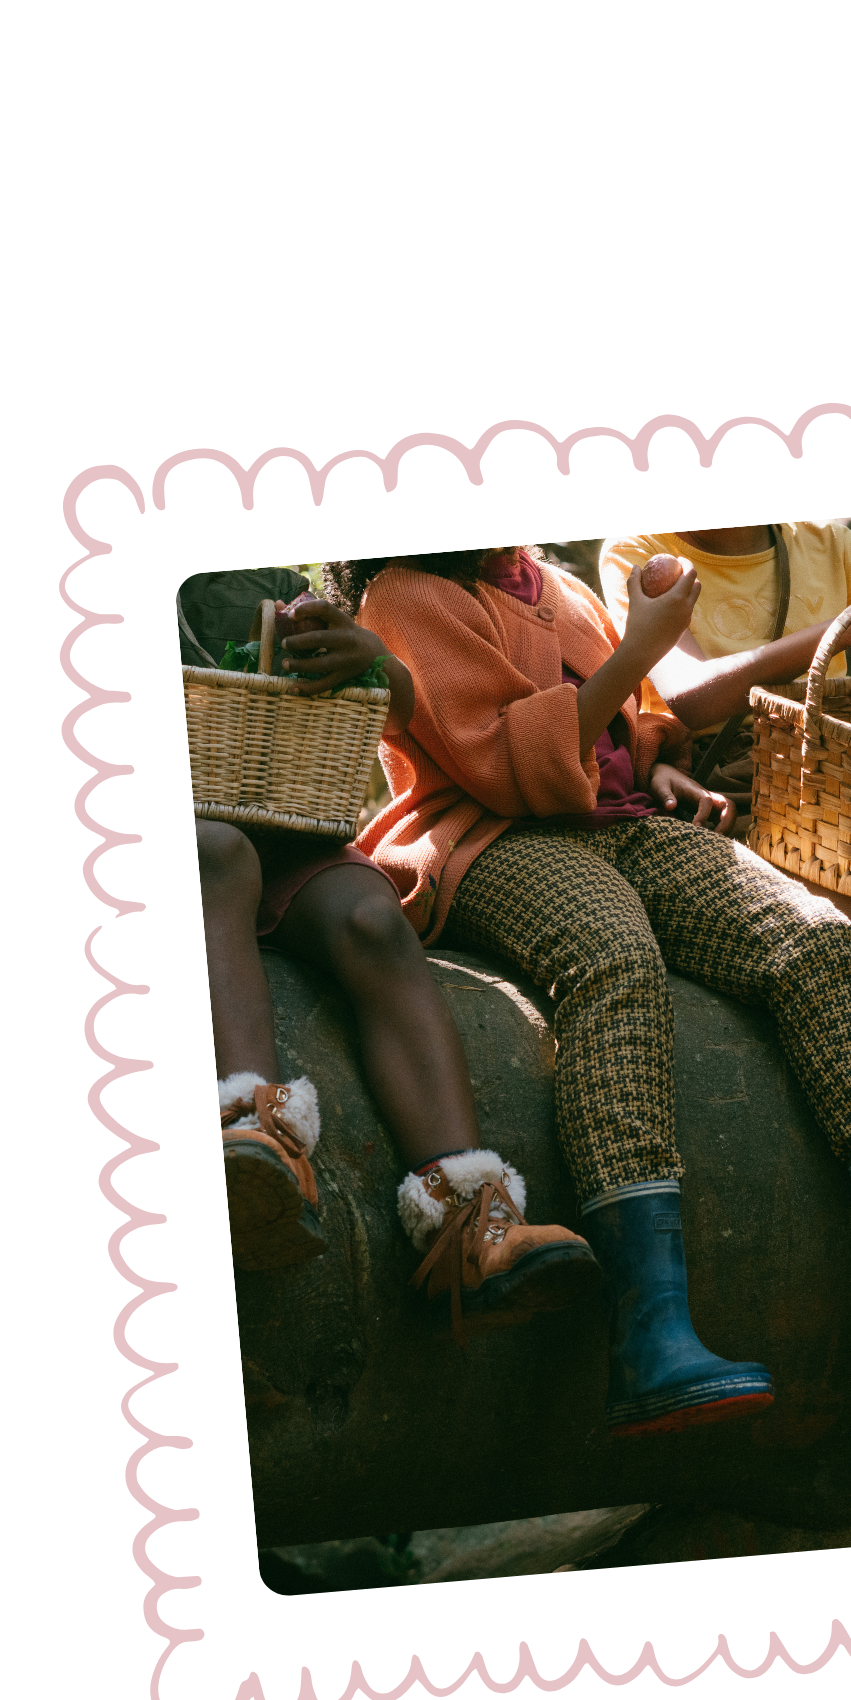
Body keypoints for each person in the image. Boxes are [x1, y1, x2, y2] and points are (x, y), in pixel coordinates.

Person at [336, 544, 851, 1442]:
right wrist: (641, 649)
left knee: (816, 945)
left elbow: (628, 723)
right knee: (613, 959)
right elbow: (499, 762)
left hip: (625, 822)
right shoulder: (404, 596)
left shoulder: (549, 582)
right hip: (489, 836)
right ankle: (650, 1338)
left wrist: (650, 765)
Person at [179, 567, 598, 1342]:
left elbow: (403, 707)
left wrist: (369, 658)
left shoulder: (273, 580)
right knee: (216, 854)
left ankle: (470, 1218)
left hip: (289, 825)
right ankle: (251, 1136)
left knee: (371, 915)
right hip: (189, 834)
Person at [598, 522, 851, 1211]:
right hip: (738, 809)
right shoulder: (640, 551)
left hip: (850, 805)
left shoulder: (825, 544)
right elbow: (690, 695)